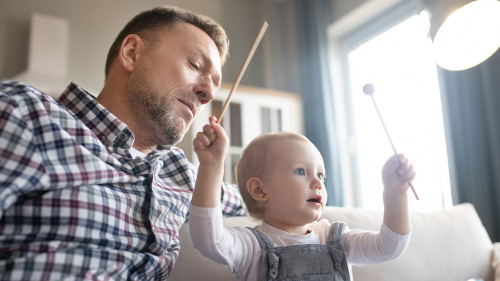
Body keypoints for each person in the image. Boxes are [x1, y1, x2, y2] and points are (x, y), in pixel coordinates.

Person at [0, 6, 245, 280]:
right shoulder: (25, 112)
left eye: (214, 84)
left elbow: (257, 195)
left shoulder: (181, 172)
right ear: (131, 53)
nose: (209, 93)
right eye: (195, 65)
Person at [190, 117, 416, 281]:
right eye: (300, 171)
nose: (318, 183)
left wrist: (395, 195)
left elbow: (389, 247)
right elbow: (208, 239)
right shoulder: (250, 246)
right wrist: (211, 166)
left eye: (321, 175)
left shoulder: (336, 239)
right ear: (260, 190)